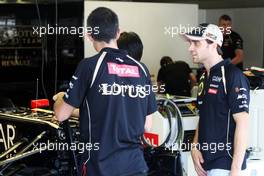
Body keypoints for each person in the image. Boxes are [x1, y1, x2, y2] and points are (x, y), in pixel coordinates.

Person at [53, 7, 157, 176]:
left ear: (89, 35)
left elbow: (61, 114)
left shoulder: (89, 66)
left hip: (100, 167)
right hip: (136, 167)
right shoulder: (141, 69)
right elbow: (147, 125)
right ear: (118, 33)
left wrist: (60, 98)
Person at [182, 23, 250, 176]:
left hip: (226, 165)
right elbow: (204, 115)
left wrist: (235, 170)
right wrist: (194, 146)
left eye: (196, 43)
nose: (190, 48)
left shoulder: (233, 75)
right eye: (190, 43)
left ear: (213, 44)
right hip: (206, 163)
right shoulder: (204, 77)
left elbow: (243, 123)